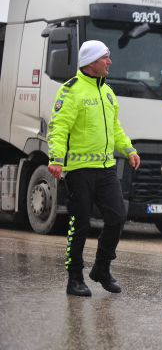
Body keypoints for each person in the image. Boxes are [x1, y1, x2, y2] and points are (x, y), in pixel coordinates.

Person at [47, 40, 141, 297]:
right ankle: (74, 278)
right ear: (91, 62)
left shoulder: (107, 92)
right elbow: (58, 127)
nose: (110, 62)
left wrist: (129, 149)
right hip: (79, 170)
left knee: (117, 218)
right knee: (81, 225)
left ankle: (101, 268)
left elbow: (115, 127)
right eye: (105, 58)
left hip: (106, 169)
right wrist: (56, 158)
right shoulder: (71, 90)